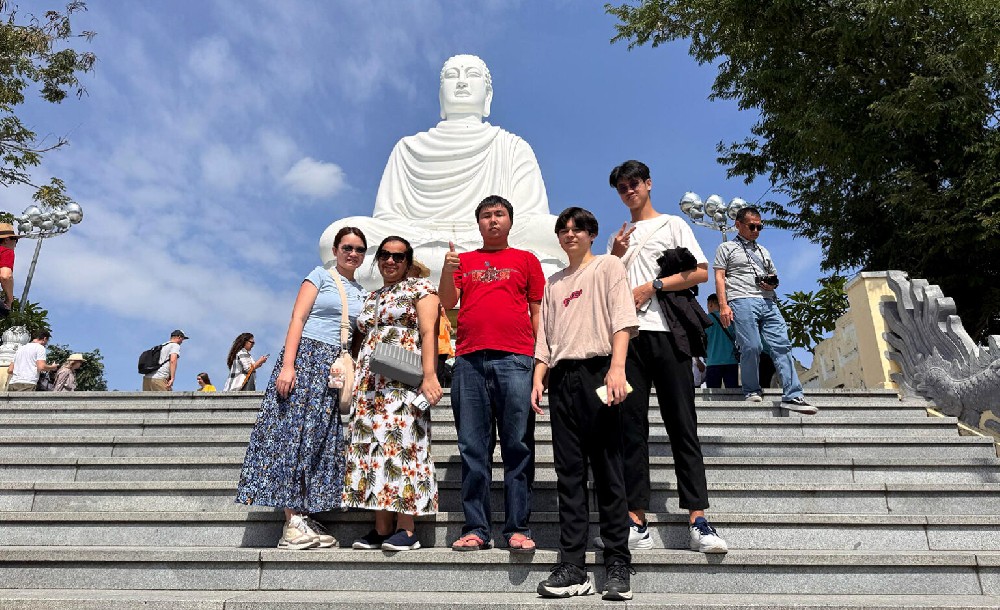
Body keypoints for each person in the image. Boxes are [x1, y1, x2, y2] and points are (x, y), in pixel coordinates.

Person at [319, 54, 566, 290]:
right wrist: (421, 237)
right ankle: (468, 266)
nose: (461, 82)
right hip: (414, 237)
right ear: (440, 94)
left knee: (557, 230)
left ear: (488, 95)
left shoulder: (512, 146)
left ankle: (430, 265)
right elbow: (389, 220)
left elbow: (526, 217)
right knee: (334, 236)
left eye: (472, 75)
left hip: (492, 238)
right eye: (452, 75)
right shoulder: (408, 147)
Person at [605, 160, 728, 553]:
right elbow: (609, 289)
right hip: (628, 340)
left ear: (648, 184)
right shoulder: (617, 238)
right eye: (622, 187)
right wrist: (615, 256)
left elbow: (700, 272)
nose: (629, 191)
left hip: (670, 334)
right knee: (630, 429)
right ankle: (635, 518)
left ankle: (699, 519)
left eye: (634, 184)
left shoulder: (673, 224)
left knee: (682, 425)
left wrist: (652, 286)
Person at [235, 227, 368, 550]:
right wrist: (288, 365)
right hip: (306, 356)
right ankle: (291, 520)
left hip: (334, 367)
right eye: (347, 247)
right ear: (335, 250)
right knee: (293, 435)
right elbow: (298, 318)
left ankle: (304, 514)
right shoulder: (319, 276)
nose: (352, 254)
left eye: (359, 249)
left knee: (319, 437)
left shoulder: (363, 293)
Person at [533, 207, 638, 601]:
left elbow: (622, 320)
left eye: (578, 228)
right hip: (562, 379)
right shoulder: (553, 282)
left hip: (600, 372)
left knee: (609, 471)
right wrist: (539, 376)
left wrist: (617, 368)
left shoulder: (608, 266)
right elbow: (545, 338)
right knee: (569, 474)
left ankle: (617, 562)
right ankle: (573, 566)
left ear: (592, 233)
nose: (570, 234)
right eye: (563, 229)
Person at [439, 194, 545, 552]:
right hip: (469, 359)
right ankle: (476, 527)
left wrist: (541, 360)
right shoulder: (464, 260)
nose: (493, 220)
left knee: (518, 444)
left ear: (510, 221)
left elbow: (537, 311)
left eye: (500, 214)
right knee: (473, 447)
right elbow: (447, 302)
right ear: (478, 223)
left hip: (516, 357)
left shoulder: (526, 259)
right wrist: (447, 268)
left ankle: (518, 527)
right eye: (486, 215)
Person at [342, 236, 443, 552]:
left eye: (398, 257)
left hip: (403, 380)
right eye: (385, 255)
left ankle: (407, 529)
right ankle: (381, 527)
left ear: (407, 261)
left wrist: (430, 375)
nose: (390, 261)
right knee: (372, 449)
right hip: (369, 384)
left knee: (403, 447)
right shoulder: (371, 297)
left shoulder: (420, 289)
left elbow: (428, 332)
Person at [713, 207, 816, 414]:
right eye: (752, 226)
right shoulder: (726, 248)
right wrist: (723, 305)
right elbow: (719, 277)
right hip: (741, 299)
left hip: (768, 301)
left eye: (759, 227)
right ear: (738, 225)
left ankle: (793, 395)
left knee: (782, 345)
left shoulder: (763, 251)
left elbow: (774, 276)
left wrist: (772, 283)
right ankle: (751, 389)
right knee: (752, 346)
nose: (756, 231)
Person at [705, 293, 740, 389]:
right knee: (733, 393)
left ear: (710, 304)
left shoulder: (705, 320)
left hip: (712, 361)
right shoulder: (731, 319)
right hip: (731, 361)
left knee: (713, 394)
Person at [0, 223, 19, 316]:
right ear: (6, 240)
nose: (15, 244)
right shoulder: (6, 251)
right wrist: (9, 300)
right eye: (15, 239)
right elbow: (5, 276)